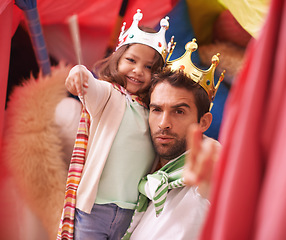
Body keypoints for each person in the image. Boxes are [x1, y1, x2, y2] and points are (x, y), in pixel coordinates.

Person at [57, 9, 170, 240]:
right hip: (94, 209)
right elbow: (90, 84)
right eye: (131, 60)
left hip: (131, 214)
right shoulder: (109, 96)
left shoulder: (153, 111)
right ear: (117, 60)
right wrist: (78, 73)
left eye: (149, 67)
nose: (139, 71)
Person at [122, 39, 223, 240]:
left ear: (203, 122)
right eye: (157, 110)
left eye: (179, 111)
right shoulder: (143, 170)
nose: (163, 123)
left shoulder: (214, 168)